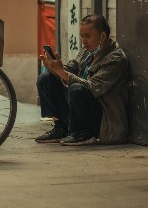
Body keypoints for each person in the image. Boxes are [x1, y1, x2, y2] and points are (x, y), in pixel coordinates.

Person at [35, 14, 129, 146]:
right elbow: (71, 68)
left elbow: (93, 87)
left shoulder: (116, 59)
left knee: (77, 88)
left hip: (102, 121)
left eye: (88, 36)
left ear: (102, 36)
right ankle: (61, 127)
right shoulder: (87, 51)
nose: (84, 41)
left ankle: (83, 133)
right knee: (46, 78)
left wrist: (62, 72)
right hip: (78, 112)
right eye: (82, 36)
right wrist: (53, 68)